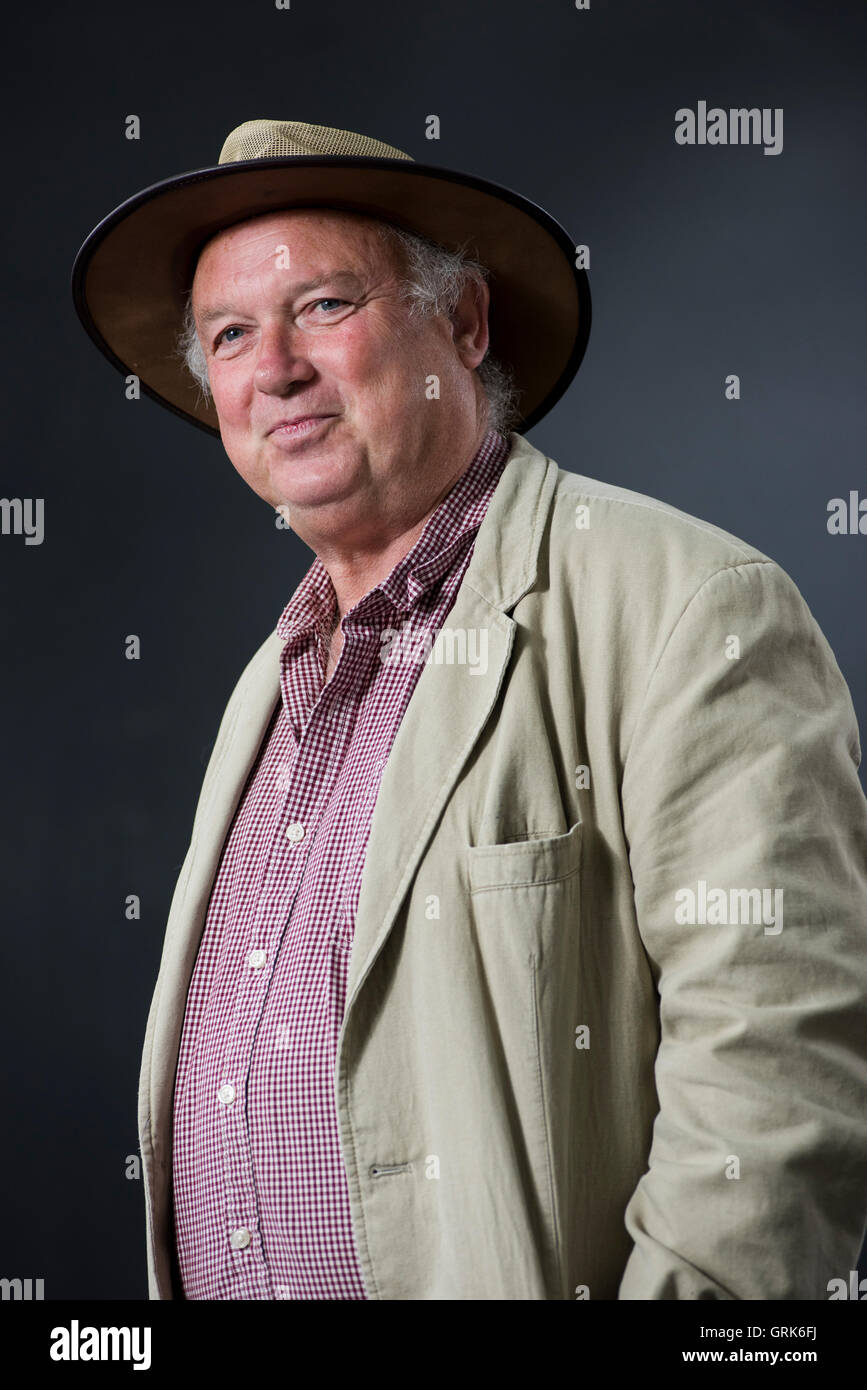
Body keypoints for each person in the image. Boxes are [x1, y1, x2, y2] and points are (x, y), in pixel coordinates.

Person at [72, 118, 867, 1300]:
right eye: (231, 334)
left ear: (465, 321)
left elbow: (779, 1081)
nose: (273, 366)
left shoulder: (690, 604)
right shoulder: (266, 684)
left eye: (326, 306)